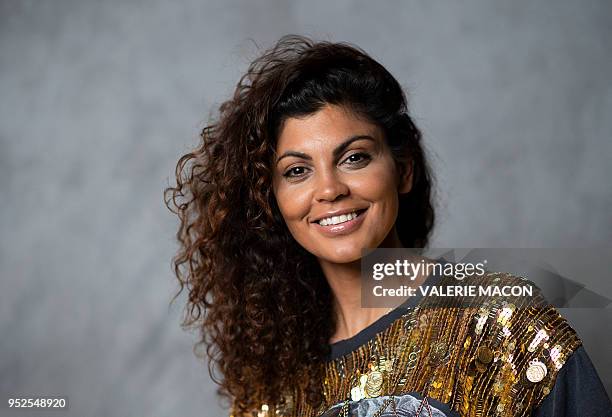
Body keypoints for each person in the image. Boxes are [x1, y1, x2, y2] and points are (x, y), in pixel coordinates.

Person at [164, 35, 611, 417]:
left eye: (354, 157)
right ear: (272, 201)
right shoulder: (272, 388)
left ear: (403, 170)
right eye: (297, 171)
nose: (329, 189)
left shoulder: (502, 323)